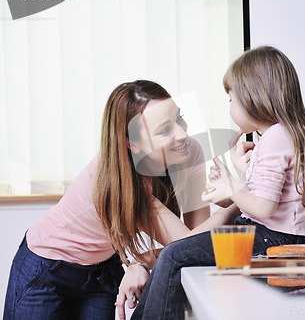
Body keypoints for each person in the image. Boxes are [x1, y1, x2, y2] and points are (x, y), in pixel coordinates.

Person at [3, 80, 239, 320]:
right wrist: (240, 198)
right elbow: (186, 244)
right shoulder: (116, 182)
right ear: (131, 144)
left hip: (102, 270)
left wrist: (141, 263)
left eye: (179, 119)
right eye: (164, 130)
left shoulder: (188, 151)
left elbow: (192, 244)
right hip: (47, 269)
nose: (183, 133)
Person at [130, 46, 305, 320]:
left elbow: (262, 209)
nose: (230, 108)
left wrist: (232, 188)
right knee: (172, 256)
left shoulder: (276, 137)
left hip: (271, 239)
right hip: (270, 235)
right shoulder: (282, 134)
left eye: (231, 99)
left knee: (173, 256)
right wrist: (236, 180)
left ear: (254, 97)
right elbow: (263, 200)